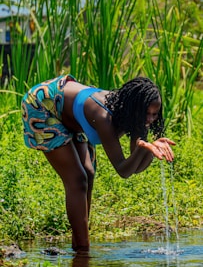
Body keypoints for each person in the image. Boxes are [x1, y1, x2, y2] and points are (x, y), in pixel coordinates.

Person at [21, 74, 175, 252]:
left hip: (72, 113)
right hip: (44, 103)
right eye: (146, 114)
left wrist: (149, 149)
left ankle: (79, 244)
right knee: (78, 180)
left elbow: (136, 168)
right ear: (134, 108)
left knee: (89, 172)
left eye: (154, 114)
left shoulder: (138, 117)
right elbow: (122, 170)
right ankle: (83, 250)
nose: (149, 119)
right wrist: (143, 148)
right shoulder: (104, 117)